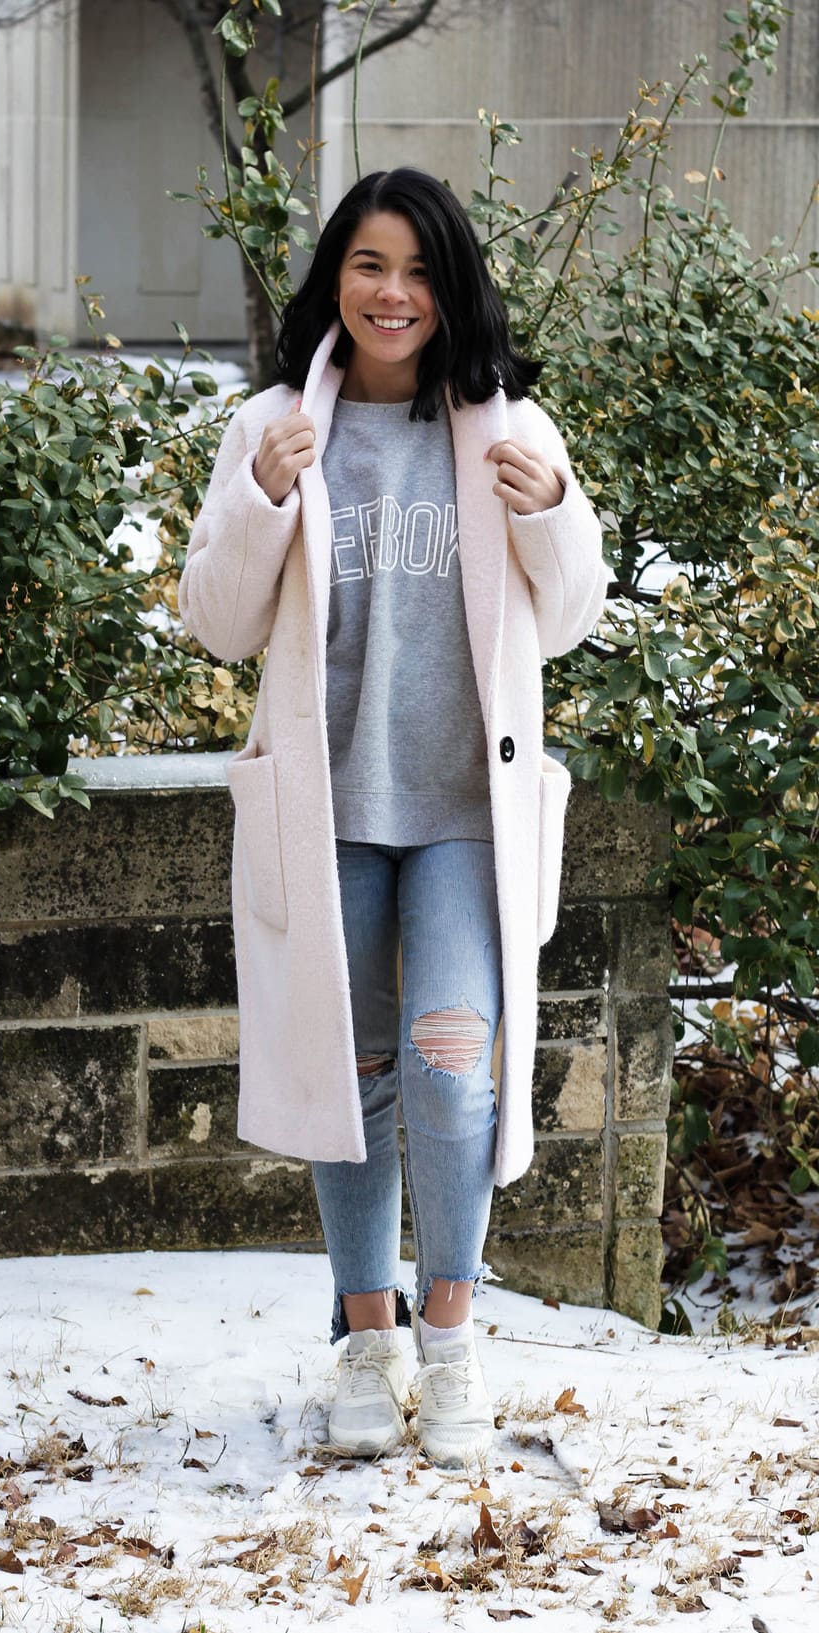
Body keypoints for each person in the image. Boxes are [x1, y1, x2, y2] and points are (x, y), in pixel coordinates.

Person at [178, 168, 608, 1467]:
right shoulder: (273, 424)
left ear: (451, 287)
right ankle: (367, 1340)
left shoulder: (503, 426)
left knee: (449, 1055)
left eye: (420, 270)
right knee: (351, 1071)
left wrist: (555, 518)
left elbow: (573, 614)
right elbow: (216, 617)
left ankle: (454, 1336)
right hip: (332, 806)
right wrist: (258, 495)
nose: (395, 293)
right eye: (371, 265)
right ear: (336, 279)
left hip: (465, 813)